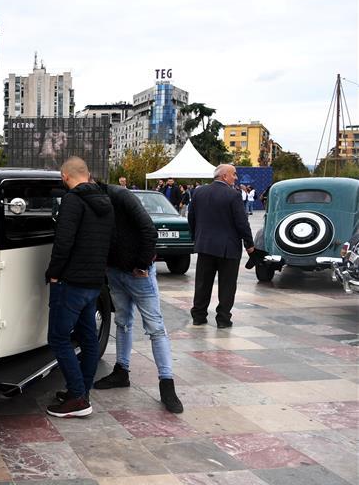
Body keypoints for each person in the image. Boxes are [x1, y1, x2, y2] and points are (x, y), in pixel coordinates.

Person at [90, 180, 183, 413]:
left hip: (137, 273)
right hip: (115, 271)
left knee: (155, 327)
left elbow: (148, 229)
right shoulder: (94, 201)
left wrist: (142, 264)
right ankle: (122, 371)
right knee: (122, 322)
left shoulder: (121, 196)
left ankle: (167, 383)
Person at [44, 157, 114, 418]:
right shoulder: (105, 201)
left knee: (59, 338)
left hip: (71, 282)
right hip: (94, 282)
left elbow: (63, 243)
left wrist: (53, 274)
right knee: (87, 338)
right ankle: (83, 392)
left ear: (65, 176)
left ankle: (77, 398)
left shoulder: (73, 201)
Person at [188, 164, 255, 328]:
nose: (236, 178)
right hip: (228, 248)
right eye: (234, 174)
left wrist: (196, 238)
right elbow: (241, 222)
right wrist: (249, 244)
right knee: (227, 285)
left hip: (205, 246)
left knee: (202, 283)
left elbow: (191, 218)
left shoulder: (199, 192)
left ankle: (199, 316)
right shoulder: (233, 195)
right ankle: (223, 319)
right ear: (224, 176)